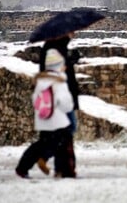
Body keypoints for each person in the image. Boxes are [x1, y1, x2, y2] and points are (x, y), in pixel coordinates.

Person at [16, 49, 76, 178]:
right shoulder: (59, 82)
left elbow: (35, 100)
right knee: (62, 144)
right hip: (58, 120)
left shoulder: (40, 81)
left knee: (41, 144)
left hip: (43, 120)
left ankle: (23, 167)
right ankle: (61, 170)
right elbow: (66, 104)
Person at [36, 33, 81, 175]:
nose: (74, 34)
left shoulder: (58, 47)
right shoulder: (53, 48)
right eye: (71, 31)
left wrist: (70, 60)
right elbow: (55, 72)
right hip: (60, 95)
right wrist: (69, 61)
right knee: (67, 129)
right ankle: (48, 158)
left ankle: (61, 167)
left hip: (61, 94)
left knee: (65, 131)